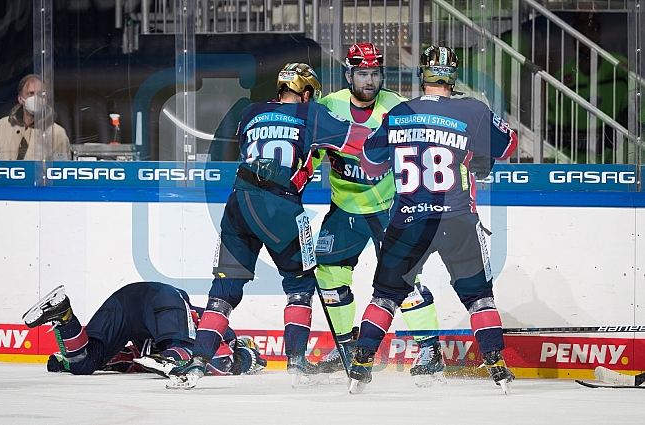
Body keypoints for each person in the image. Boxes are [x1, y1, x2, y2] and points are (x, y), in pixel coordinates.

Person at [166, 63, 377, 390]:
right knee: (301, 285)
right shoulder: (313, 114)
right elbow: (360, 141)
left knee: (224, 291)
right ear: (306, 94)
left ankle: (196, 363)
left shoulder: (251, 112)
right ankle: (296, 365)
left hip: (239, 205)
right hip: (283, 209)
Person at [348, 46, 518, 394]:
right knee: (479, 298)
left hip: (408, 220)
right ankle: (497, 364)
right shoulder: (471, 109)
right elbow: (507, 146)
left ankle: (362, 359)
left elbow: (369, 161)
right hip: (457, 219)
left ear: (421, 74)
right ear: (452, 76)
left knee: (385, 297)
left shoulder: (398, 112)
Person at [313, 43, 447, 386]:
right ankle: (345, 347)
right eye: (362, 74)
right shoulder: (330, 105)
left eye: (374, 73)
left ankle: (430, 351)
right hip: (344, 209)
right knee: (329, 277)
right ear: (349, 75)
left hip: (389, 210)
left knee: (404, 280)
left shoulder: (396, 107)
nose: (369, 81)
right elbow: (313, 153)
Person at [22, 281, 266, 377]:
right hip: (161, 298)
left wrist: (65, 361)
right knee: (186, 349)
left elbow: (127, 359)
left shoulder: (146, 354)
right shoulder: (226, 335)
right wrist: (247, 357)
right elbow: (223, 362)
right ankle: (171, 357)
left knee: (84, 363)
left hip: (126, 301)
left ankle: (62, 315)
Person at [547, 11, 629, 163]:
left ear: (599, 32)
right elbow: (556, 137)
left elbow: (638, 109)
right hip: (575, 168)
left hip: (618, 166)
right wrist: (596, 142)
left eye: (591, 30)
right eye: (580, 31)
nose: (586, 37)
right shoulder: (561, 80)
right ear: (572, 34)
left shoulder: (620, 69)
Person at [0, 74, 71, 160]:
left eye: (41, 94)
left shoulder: (57, 133)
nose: (36, 98)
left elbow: (61, 170)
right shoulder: (1, 127)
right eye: (30, 93)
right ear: (20, 99)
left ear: (45, 99)